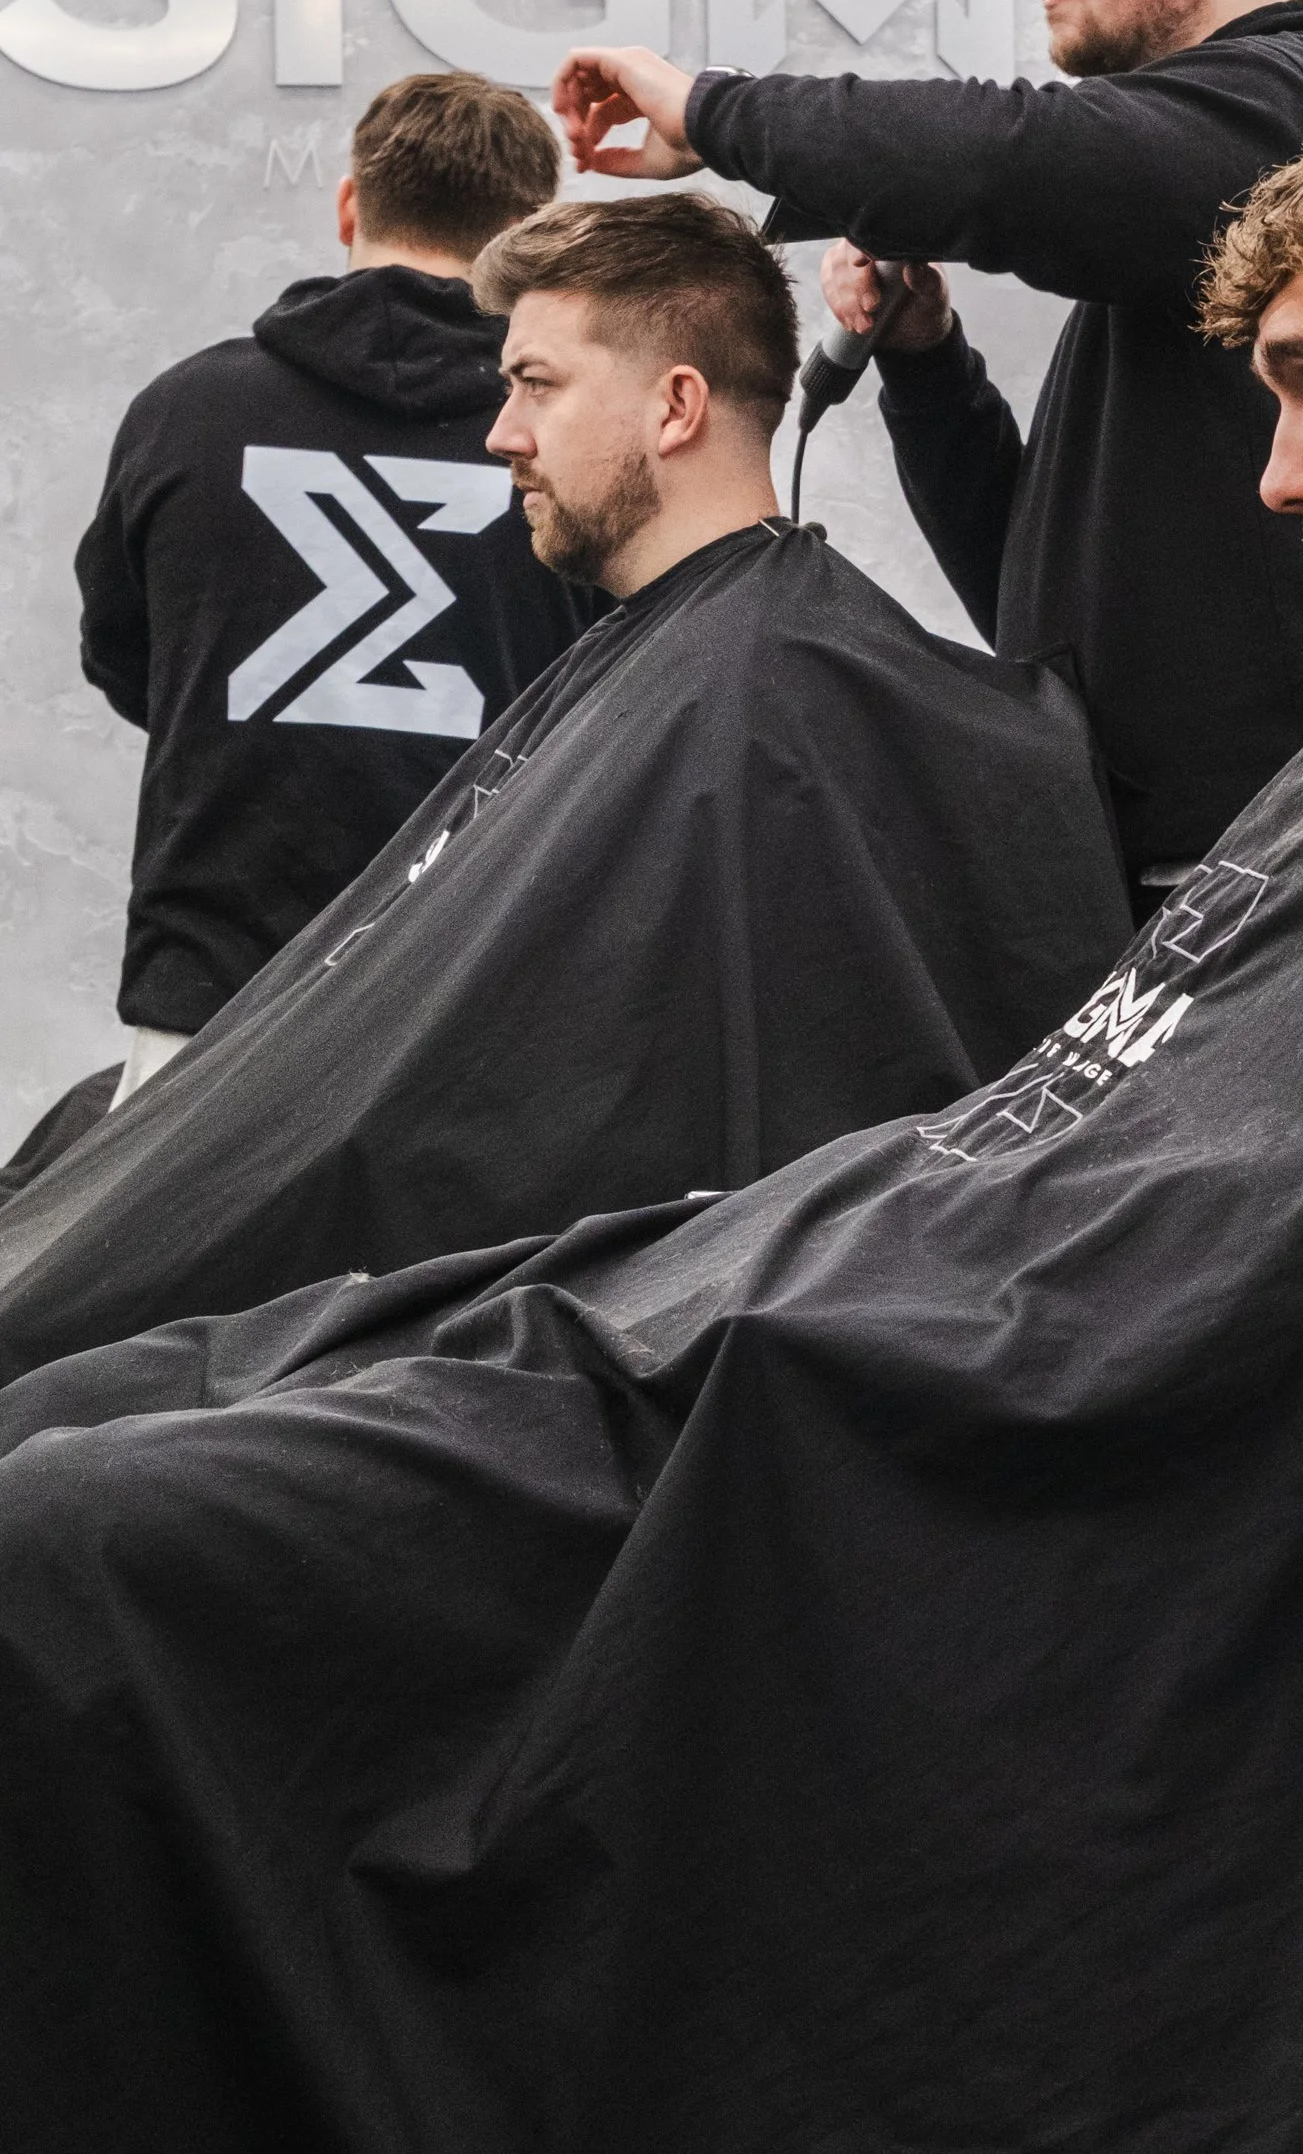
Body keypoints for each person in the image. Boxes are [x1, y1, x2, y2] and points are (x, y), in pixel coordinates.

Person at [0, 51, 1303, 2154]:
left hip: (919, 1499)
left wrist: (702, 1326)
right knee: (145, 1401)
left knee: (80, 1548)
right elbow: (1066, 1173)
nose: (1268, 478)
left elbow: (1199, 1315)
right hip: (821, 1350)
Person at [0, 193, 1131, 1380]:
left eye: (536, 386)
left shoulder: (760, 700)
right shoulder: (688, 664)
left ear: (676, 405)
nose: (500, 433)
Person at [547, 0, 1303, 892]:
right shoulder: (1195, 207)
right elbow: (1038, 617)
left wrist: (718, 112)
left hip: (1279, 883)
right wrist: (927, 367)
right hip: (1159, 885)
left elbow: (1012, 158)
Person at [73, 69, 598, 1103]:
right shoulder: (571, 442)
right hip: (476, 1006)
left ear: (350, 204)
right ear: (535, 233)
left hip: (210, 1005)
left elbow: (132, 665)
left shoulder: (183, 410)